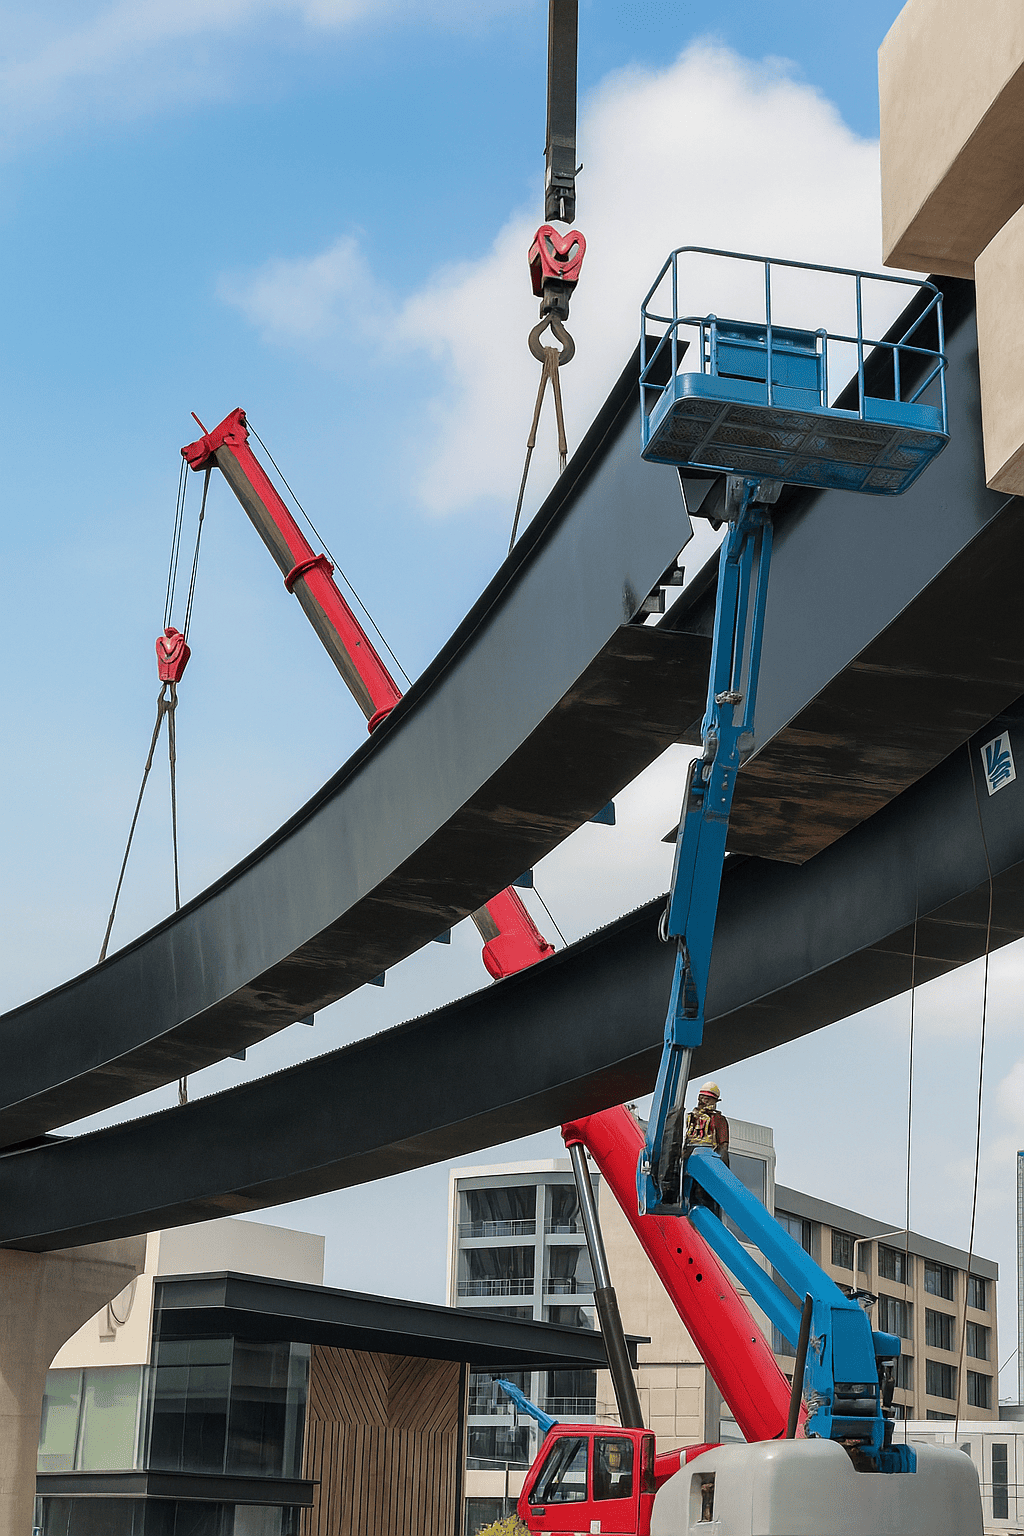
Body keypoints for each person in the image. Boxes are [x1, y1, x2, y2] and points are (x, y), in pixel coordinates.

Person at [684, 1082, 729, 1164]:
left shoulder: (690, 1118)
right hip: (708, 1160)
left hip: (689, 1159)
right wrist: (724, 1169)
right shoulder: (719, 1119)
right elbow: (723, 1147)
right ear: (707, 1100)